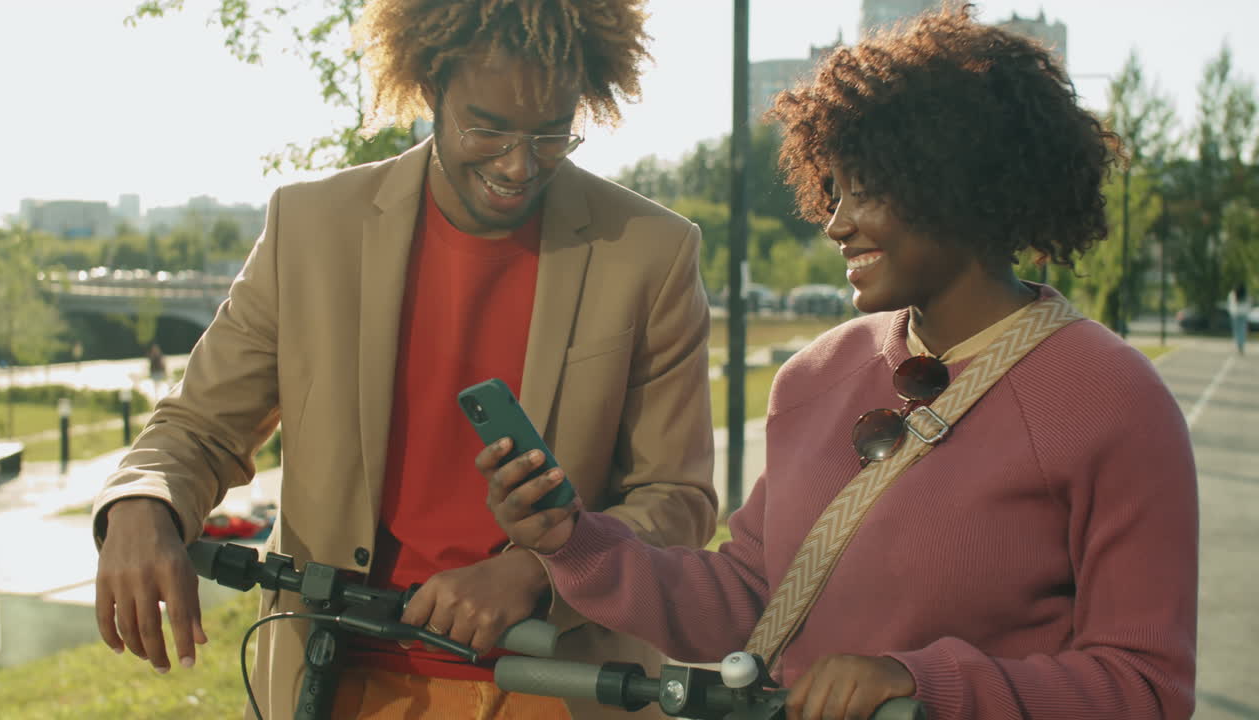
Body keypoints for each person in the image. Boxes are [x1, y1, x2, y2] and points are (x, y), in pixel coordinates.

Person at [485, 7, 1198, 720]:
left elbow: (1144, 686)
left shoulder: (1114, 400)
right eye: (835, 187)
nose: (836, 221)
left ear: (965, 181)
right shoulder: (813, 377)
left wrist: (919, 684)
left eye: (868, 189)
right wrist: (577, 543)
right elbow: (750, 598)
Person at [91, 1, 717, 718]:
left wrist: (536, 573)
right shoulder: (311, 227)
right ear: (427, 86)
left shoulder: (651, 252)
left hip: (560, 684)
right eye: (487, 127)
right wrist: (142, 502)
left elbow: (678, 500)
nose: (520, 165)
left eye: (552, 133)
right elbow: (201, 426)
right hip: (331, 680)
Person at [1227, 282, 1251, 355]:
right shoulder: (1246, 294)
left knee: (1236, 331)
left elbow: (1230, 304)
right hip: (1243, 314)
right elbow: (1249, 303)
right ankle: (1241, 346)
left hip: (1236, 314)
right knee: (1242, 331)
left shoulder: (1232, 294)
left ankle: (1238, 345)